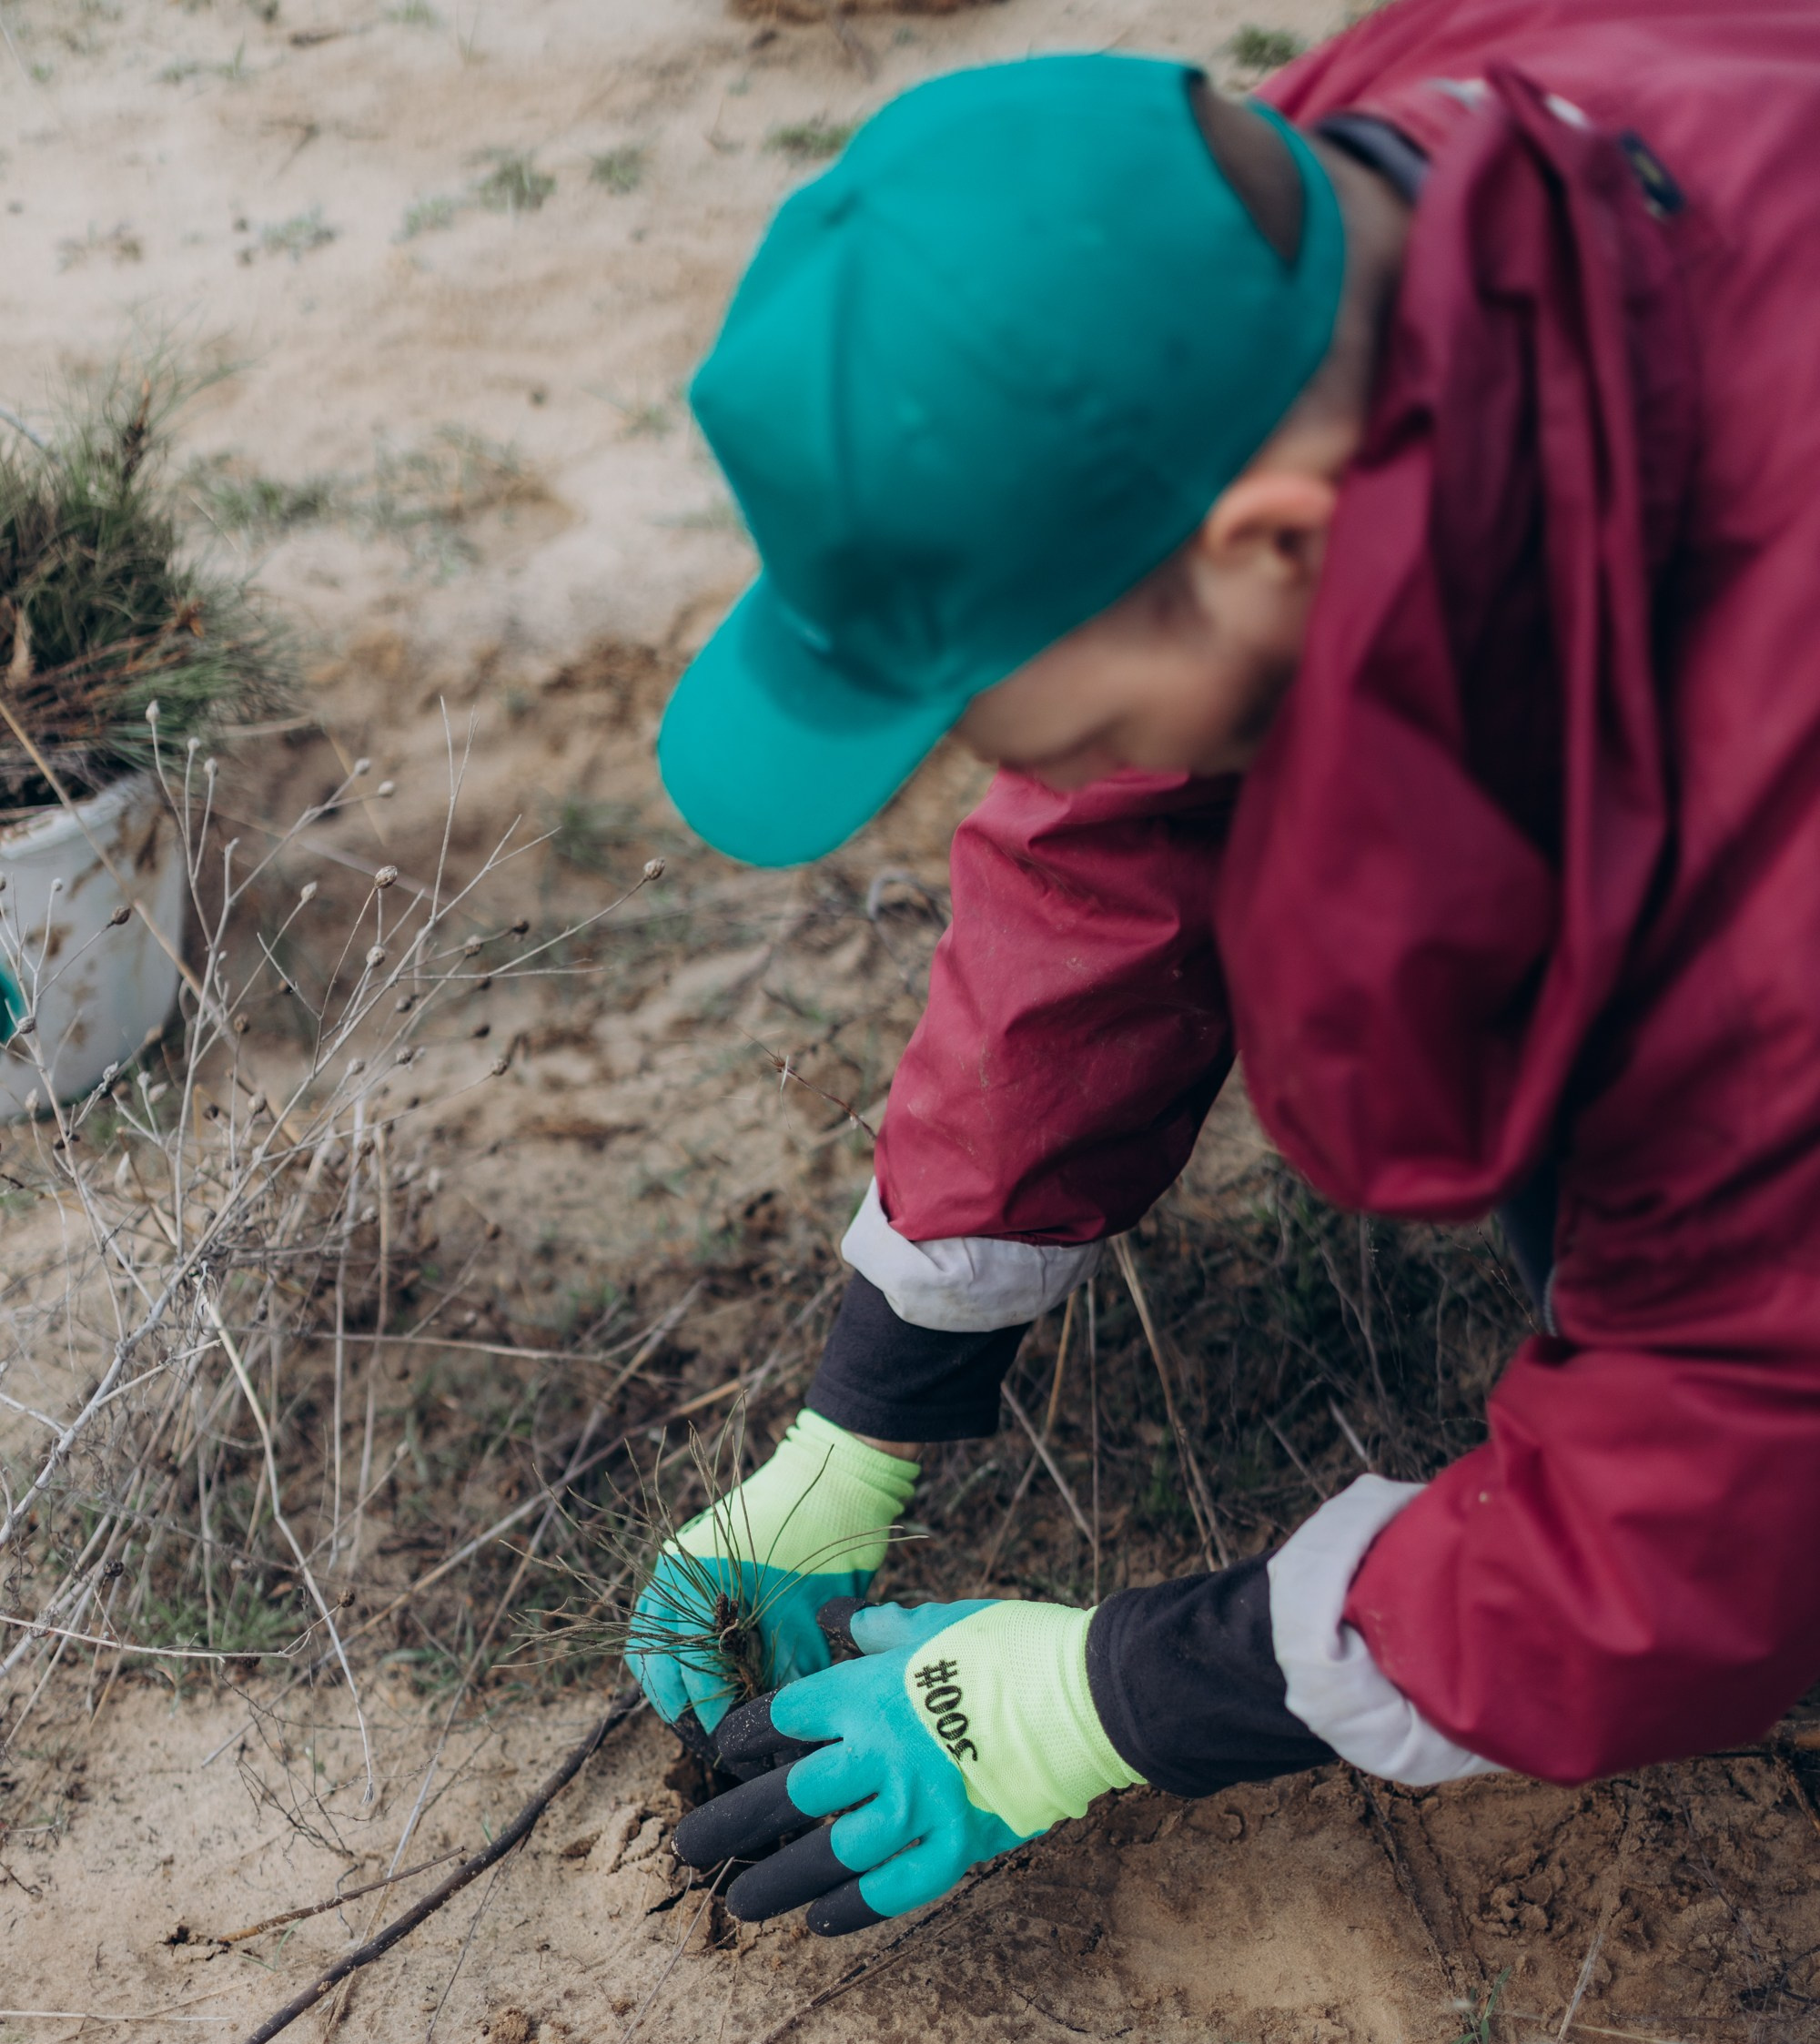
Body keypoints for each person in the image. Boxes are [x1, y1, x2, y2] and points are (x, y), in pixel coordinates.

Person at [628, 0, 1820, 1937]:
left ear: (1276, 544)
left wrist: (1105, 1696)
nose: (1027, 777)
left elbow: (1710, 1470)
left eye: (1040, 712)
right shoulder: (1316, 212)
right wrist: (872, 1405)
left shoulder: (1764, 842)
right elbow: (1117, 818)